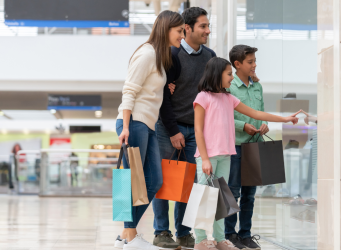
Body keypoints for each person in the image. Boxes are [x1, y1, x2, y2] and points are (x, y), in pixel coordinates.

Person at [153, 8, 260, 250]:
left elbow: (217, 90)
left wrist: (250, 77)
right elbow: (162, 96)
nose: (208, 31)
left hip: (198, 131)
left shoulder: (210, 55)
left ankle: (183, 232)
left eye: (208, 25)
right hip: (171, 127)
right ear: (187, 28)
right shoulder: (171, 54)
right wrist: (172, 130)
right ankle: (161, 231)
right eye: (202, 26)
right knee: (165, 181)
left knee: (190, 185)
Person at [193, 57, 300, 250]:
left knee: (221, 199)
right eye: (228, 74)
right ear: (217, 74)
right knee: (204, 196)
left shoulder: (229, 98)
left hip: (226, 155)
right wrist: (205, 159)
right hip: (207, 156)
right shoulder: (203, 97)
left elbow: (256, 114)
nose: (231, 77)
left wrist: (284, 118)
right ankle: (200, 239)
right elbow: (198, 131)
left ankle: (218, 239)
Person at [114, 10, 185, 250]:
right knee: (132, 182)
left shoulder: (159, 58)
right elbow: (129, 91)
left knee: (154, 180)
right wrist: (124, 126)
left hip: (148, 125)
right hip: (134, 123)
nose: (182, 36)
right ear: (166, 29)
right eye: (179, 31)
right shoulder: (146, 53)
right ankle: (129, 236)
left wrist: (166, 87)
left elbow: (151, 90)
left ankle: (126, 234)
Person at [224, 45, 266, 249]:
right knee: (232, 193)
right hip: (236, 147)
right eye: (250, 62)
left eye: (254, 61)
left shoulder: (258, 87)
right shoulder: (228, 87)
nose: (254, 65)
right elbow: (223, 117)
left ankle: (246, 234)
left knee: (250, 194)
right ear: (237, 64)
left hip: (255, 148)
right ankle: (229, 234)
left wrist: (263, 125)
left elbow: (262, 112)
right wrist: (243, 126)